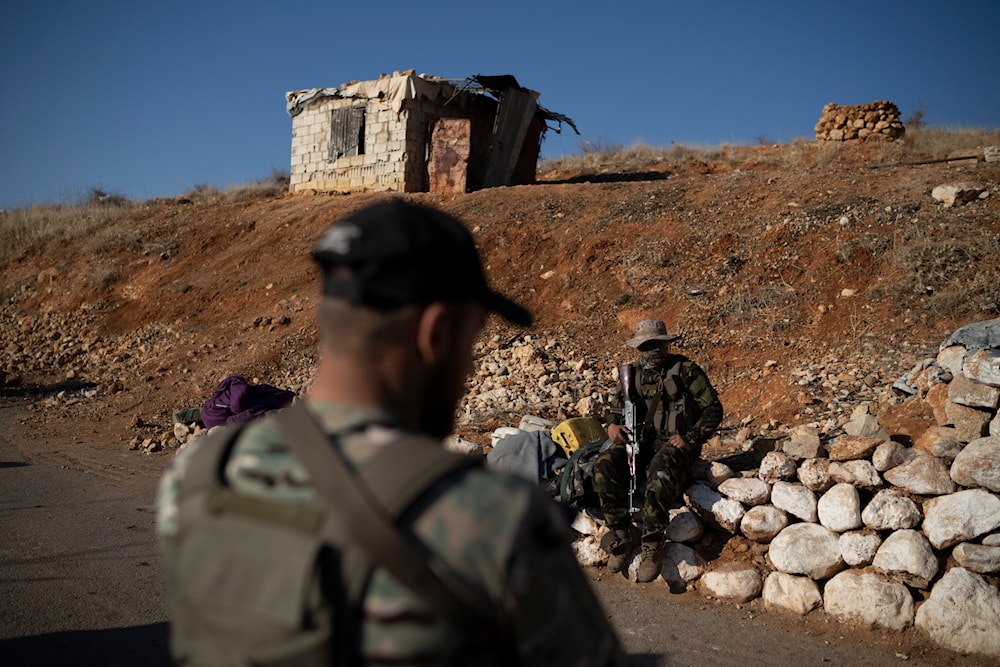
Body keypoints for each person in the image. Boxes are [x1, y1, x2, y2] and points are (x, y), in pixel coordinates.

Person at [156, 199, 626, 666]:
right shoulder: (494, 520)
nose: (469, 364)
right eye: (471, 339)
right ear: (435, 333)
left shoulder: (197, 477)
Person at [593, 318, 723, 583]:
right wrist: (612, 427)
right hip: (638, 443)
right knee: (603, 466)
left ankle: (652, 546)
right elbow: (616, 411)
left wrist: (691, 437)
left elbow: (713, 409)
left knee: (659, 476)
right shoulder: (632, 375)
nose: (652, 351)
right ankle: (620, 535)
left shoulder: (685, 370)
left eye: (657, 345)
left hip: (674, 445)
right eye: (646, 346)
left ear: (666, 345)